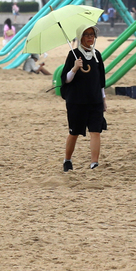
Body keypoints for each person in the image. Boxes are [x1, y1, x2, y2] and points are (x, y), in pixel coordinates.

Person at [60, 26, 106, 172]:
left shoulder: (97, 55)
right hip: (77, 101)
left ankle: (94, 163)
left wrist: (103, 99)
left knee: (96, 131)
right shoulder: (73, 54)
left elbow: (101, 80)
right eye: (86, 35)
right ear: (80, 37)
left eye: (92, 34)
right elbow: (66, 79)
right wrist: (74, 68)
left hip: (95, 100)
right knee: (74, 132)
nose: (90, 37)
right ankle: (67, 160)